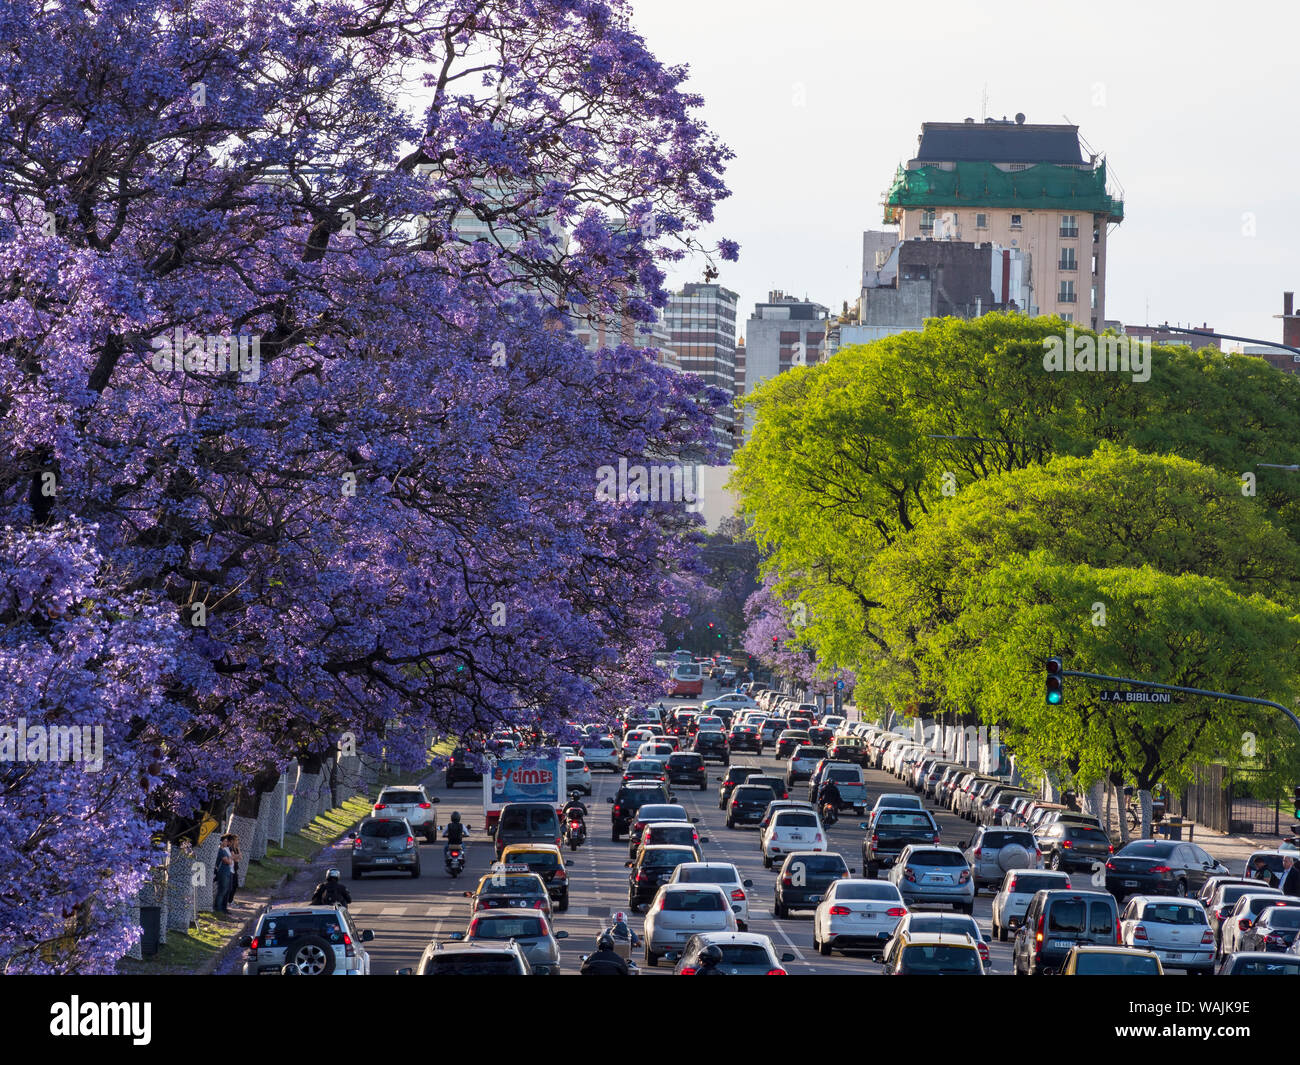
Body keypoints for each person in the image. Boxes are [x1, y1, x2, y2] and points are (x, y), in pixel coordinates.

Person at [213, 834, 234, 915]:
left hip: (227, 872)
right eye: (225, 841)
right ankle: (218, 907)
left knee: (226, 890)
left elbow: (230, 861)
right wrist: (230, 859)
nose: (226, 843)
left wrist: (230, 859)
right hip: (222, 872)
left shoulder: (225, 850)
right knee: (222, 890)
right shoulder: (220, 851)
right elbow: (228, 861)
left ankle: (223, 907)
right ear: (221, 842)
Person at [226, 833, 242, 904]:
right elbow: (235, 858)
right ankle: (229, 901)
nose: (237, 841)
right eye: (236, 840)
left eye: (238, 840)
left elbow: (240, 858)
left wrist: (237, 855)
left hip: (235, 869)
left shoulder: (236, 848)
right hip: (231, 869)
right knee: (232, 886)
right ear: (233, 840)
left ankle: (231, 900)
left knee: (235, 885)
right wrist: (237, 856)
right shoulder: (231, 848)